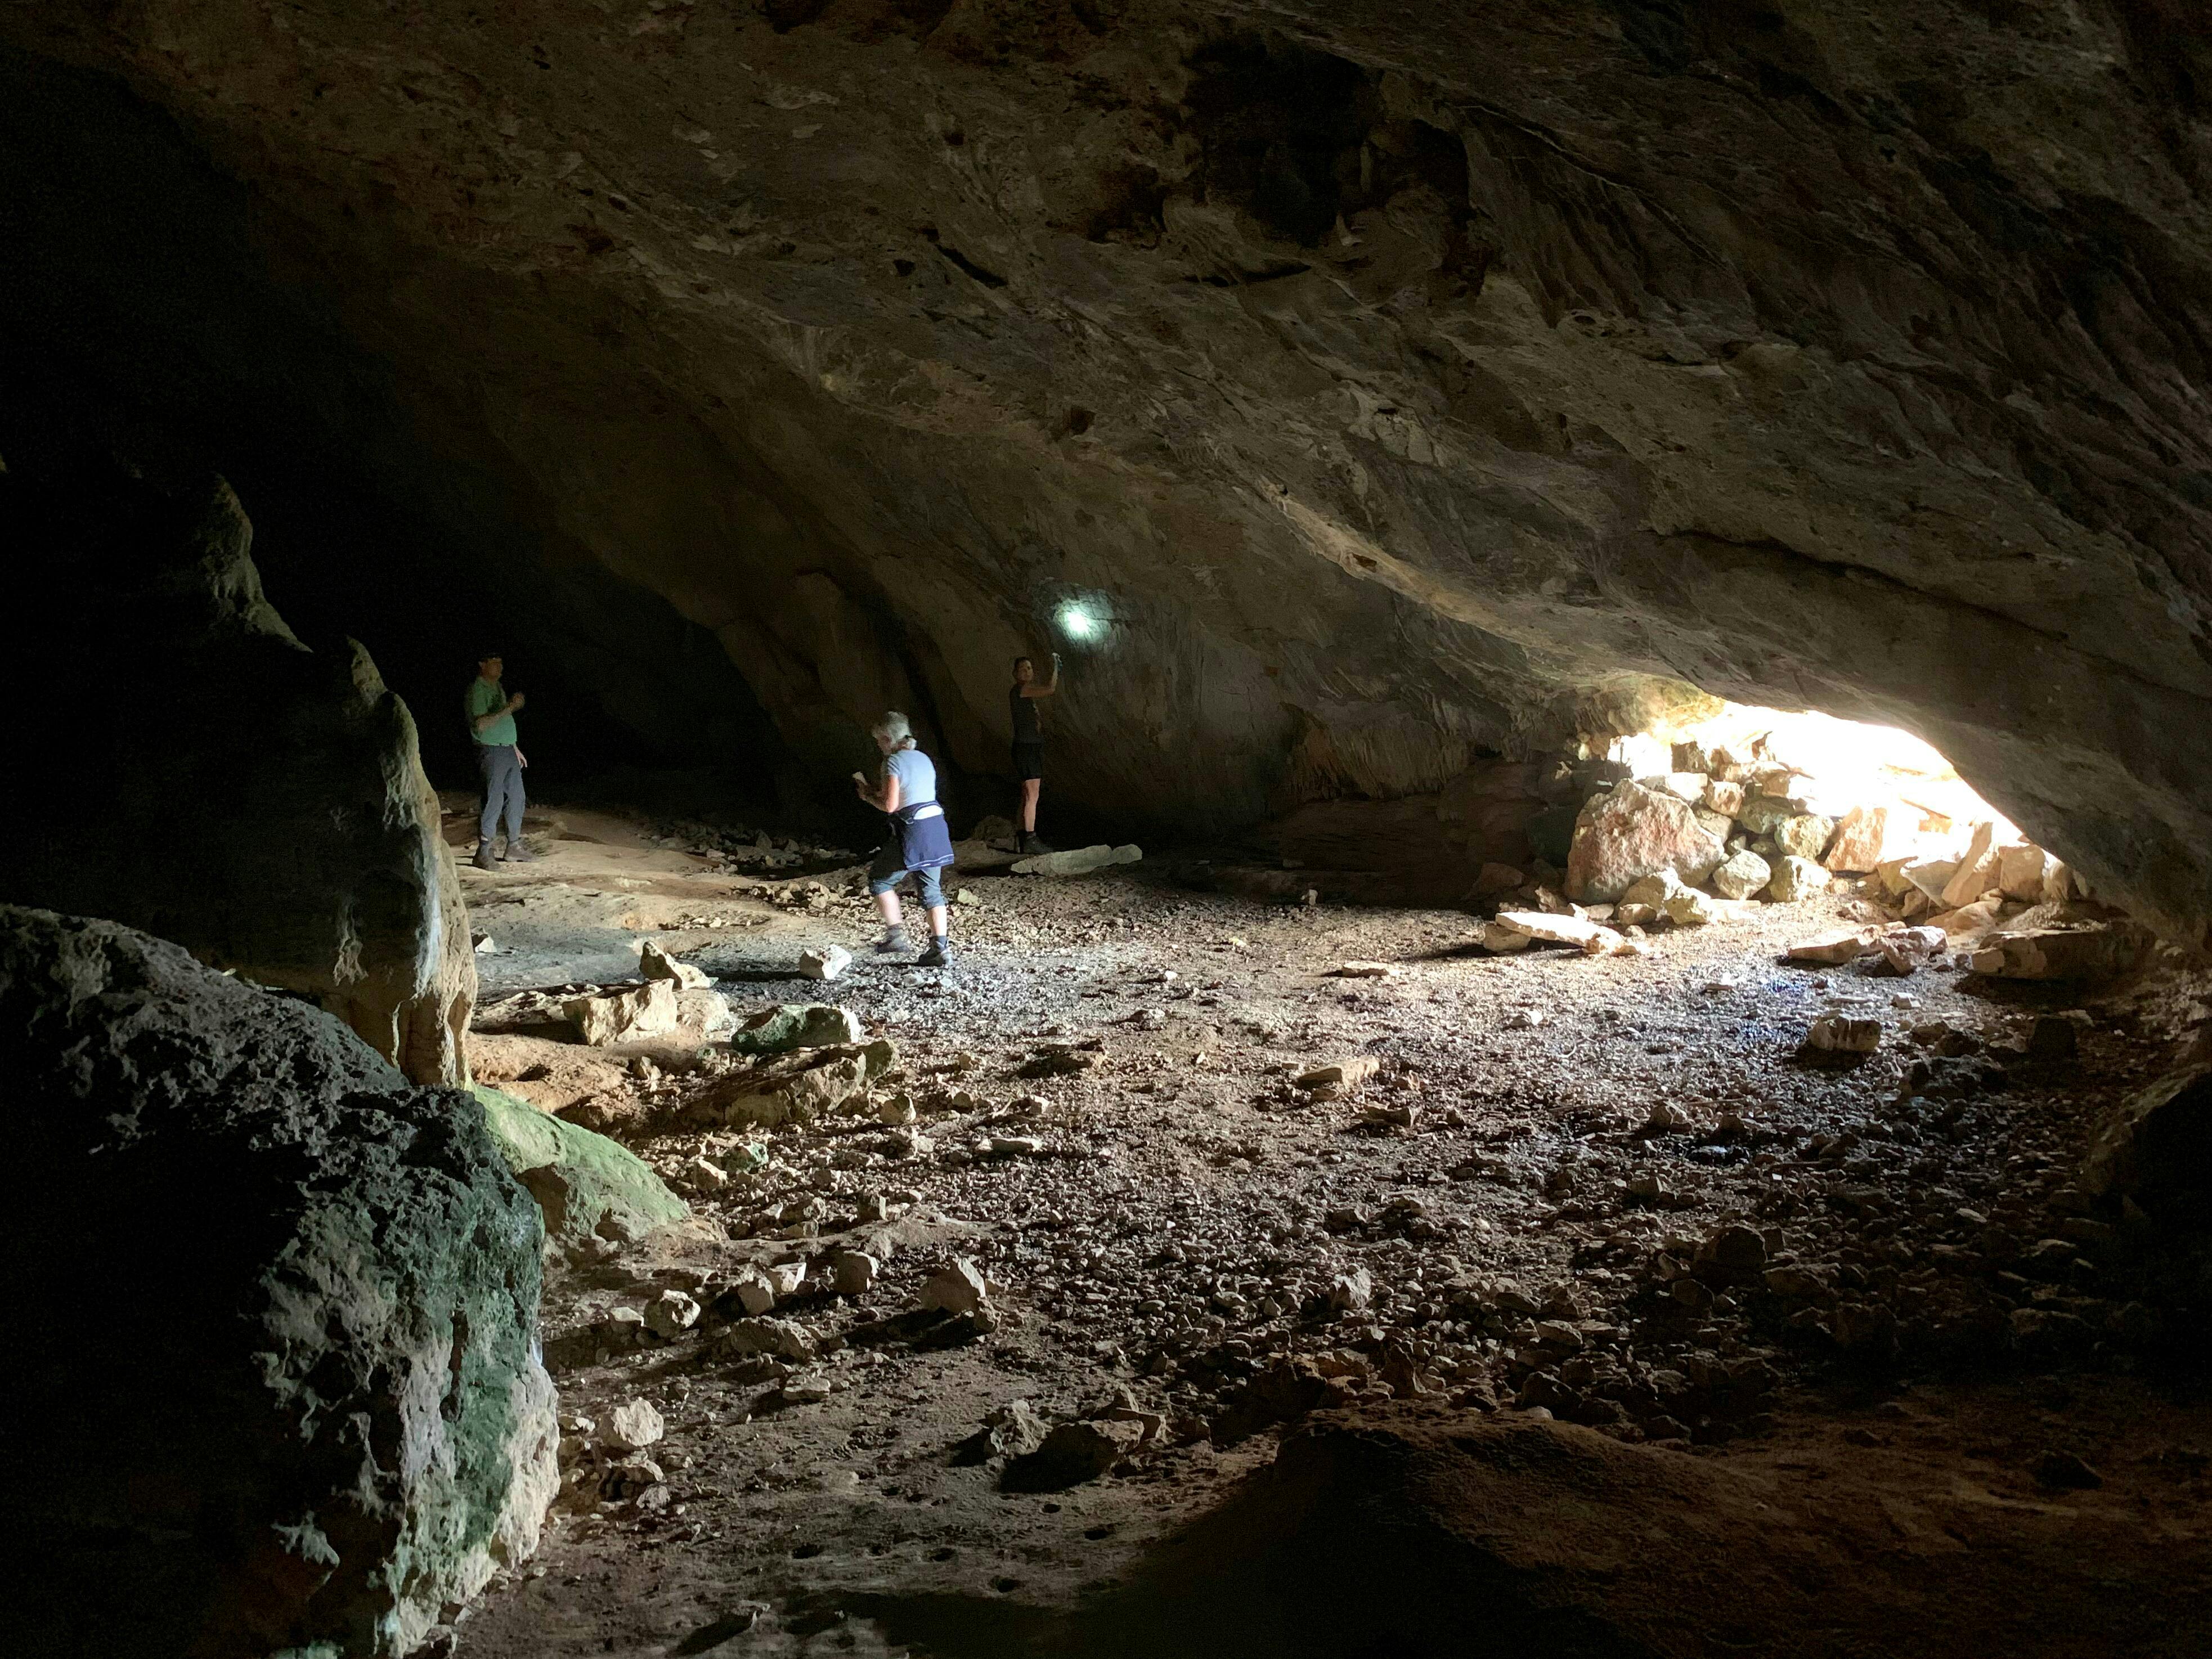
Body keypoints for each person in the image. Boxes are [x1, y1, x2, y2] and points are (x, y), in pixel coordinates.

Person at [855, 710, 955, 967]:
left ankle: (896, 936)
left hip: (913, 831)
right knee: (932, 891)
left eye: (879, 741)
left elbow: (890, 805)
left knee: (879, 881)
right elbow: (914, 792)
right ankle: (940, 949)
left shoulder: (892, 762)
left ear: (888, 738)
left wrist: (867, 796)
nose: (879, 746)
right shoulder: (924, 758)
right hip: (936, 826)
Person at [466, 653, 532, 871]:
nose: (500, 668)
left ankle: (513, 846)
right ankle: (483, 851)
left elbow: (502, 722)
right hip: (491, 750)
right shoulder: (477, 690)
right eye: (495, 664)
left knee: (517, 797)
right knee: (493, 799)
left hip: (507, 750)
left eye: (501, 664)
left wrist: (514, 748)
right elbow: (481, 725)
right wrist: (510, 708)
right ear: (482, 665)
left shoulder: (497, 687)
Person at [1009, 651, 1061, 853]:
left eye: (1029, 668)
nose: (1026, 672)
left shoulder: (1022, 693)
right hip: (1027, 747)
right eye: (1022, 669)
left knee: (1026, 795)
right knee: (1033, 795)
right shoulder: (1021, 690)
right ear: (1015, 674)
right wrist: (1056, 668)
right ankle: (1031, 839)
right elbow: (1050, 688)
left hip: (1026, 747)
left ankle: (1022, 837)